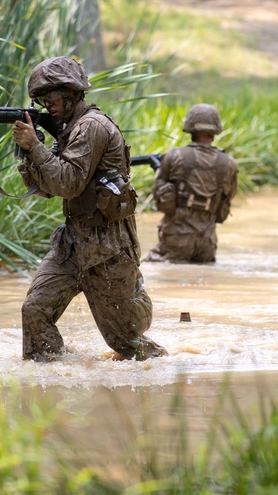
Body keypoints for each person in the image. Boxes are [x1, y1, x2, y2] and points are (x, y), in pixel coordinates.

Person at [11, 56, 166, 361]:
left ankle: (166, 374)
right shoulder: (69, 130)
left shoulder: (91, 127)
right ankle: (50, 378)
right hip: (72, 243)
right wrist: (30, 153)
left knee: (125, 343)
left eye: (50, 98)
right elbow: (49, 190)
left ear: (71, 93)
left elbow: (68, 184)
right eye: (41, 100)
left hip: (107, 248)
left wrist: (36, 147)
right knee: (35, 310)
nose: (46, 105)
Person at [146, 103, 238, 264]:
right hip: (207, 243)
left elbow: (159, 194)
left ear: (190, 128)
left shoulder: (174, 156)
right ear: (215, 130)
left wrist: (159, 168)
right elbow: (228, 198)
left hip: (175, 239)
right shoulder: (229, 164)